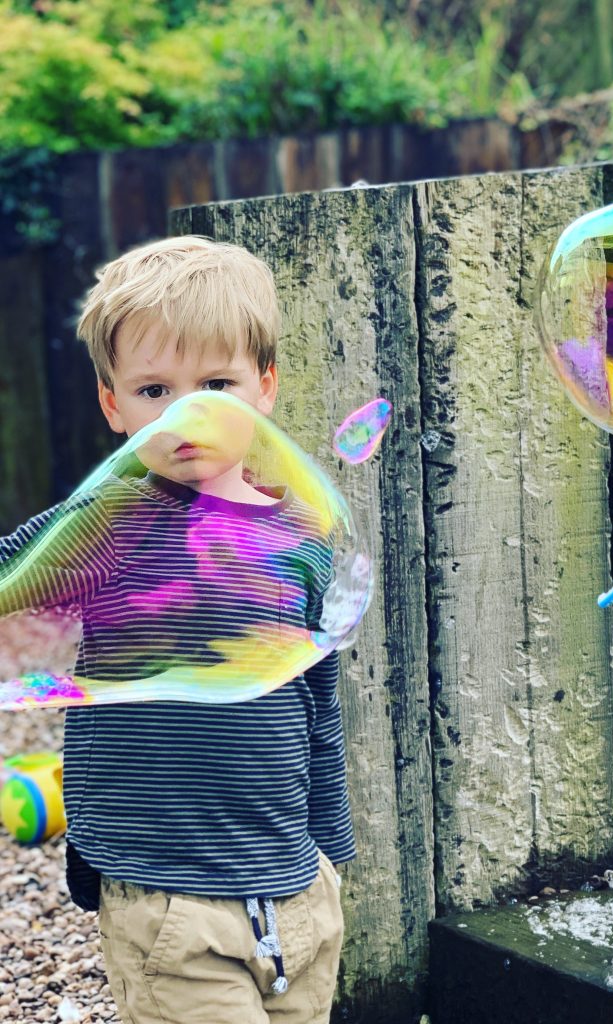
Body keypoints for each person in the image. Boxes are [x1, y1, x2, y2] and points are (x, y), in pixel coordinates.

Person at [0, 236, 349, 1023]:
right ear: (112, 404)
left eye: (215, 383)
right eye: (155, 389)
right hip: (165, 894)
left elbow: (318, 703)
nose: (186, 413)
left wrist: (329, 851)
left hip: (295, 889)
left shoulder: (301, 536)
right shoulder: (108, 520)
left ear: (264, 387)